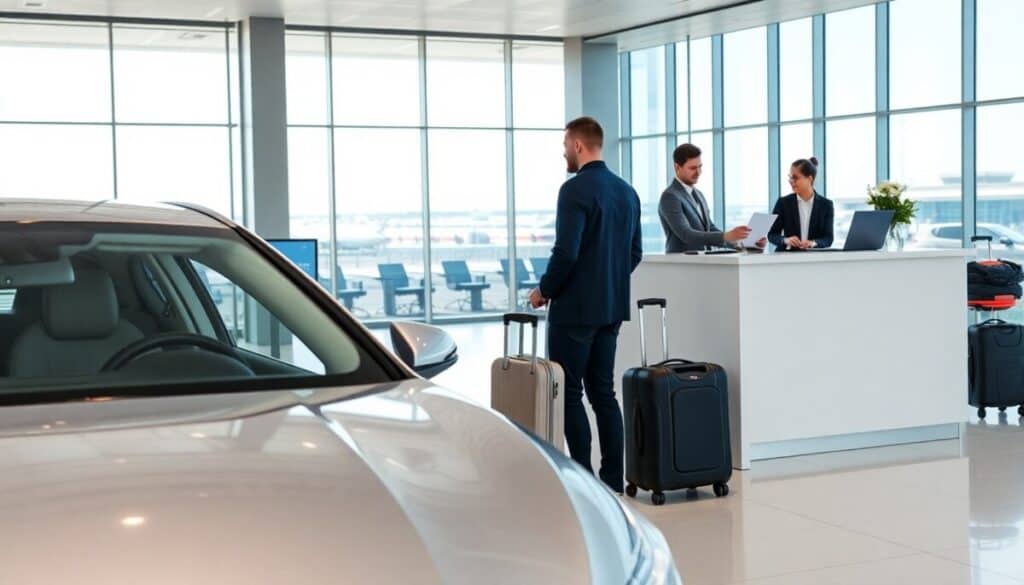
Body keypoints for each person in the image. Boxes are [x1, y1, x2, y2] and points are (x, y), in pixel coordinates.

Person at [527, 116, 642, 494]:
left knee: (571, 393)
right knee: (604, 394)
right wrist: (607, 279)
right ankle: (613, 481)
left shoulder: (573, 190)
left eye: (565, 145)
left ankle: (583, 482)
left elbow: (566, 253)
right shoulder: (628, 192)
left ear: (578, 145)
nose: (564, 151)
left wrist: (544, 289)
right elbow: (635, 252)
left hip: (574, 311)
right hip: (611, 309)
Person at [658, 143, 761, 252]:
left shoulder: (698, 194)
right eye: (692, 168)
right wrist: (726, 236)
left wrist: (740, 242)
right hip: (682, 263)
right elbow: (686, 234)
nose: (698, 172)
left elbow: (709, 228)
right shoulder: (670, 196)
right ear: (677, 167)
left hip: (703, 262)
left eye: (700, 167)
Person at [767, 157, 834, 251]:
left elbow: (828, 239)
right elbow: (772, 235)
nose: (791, 181)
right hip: (787, 258)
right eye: (790, 177)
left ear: (809, 179)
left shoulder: (826, 205)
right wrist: (786, 240)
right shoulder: (783, 203)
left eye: (795, 178)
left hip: (814, 259)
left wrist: (813, 243)